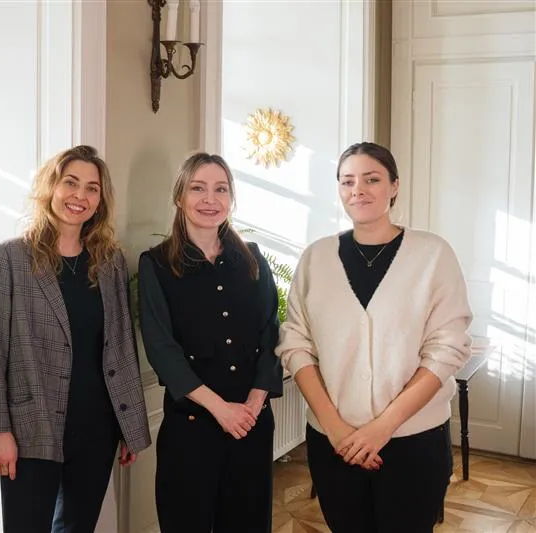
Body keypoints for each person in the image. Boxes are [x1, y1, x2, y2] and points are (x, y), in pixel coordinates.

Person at [277, 142, 472, 532]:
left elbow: (447, 349)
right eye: (347, 181)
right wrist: (335, 428)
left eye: (372, 179)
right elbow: (296, 344)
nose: (358, 190)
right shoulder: (316, 258)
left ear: (394, 186)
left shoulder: (433, 254)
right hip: (334, 443)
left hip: (414, 442)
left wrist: (383, 428)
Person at [0, 145, 151, 533]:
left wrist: (129, 425)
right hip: (30, 427)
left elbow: (121, 346)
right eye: (70, 183)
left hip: (97, 428)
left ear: (101, 200)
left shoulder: (110, 262)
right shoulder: (10, 258)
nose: (79, 196)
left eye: (92, 188)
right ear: (50, 187)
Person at [138, 152, 283, 533]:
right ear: (179, 197)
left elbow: (272, 332)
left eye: (221, 189)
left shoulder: (253, 260)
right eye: (198, 188)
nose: (210, 199)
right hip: (191, 428)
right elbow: (161, 349)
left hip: (251, 423)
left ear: (231, 198)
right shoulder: (156, 265)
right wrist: (222, 410)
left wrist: (253, 404)